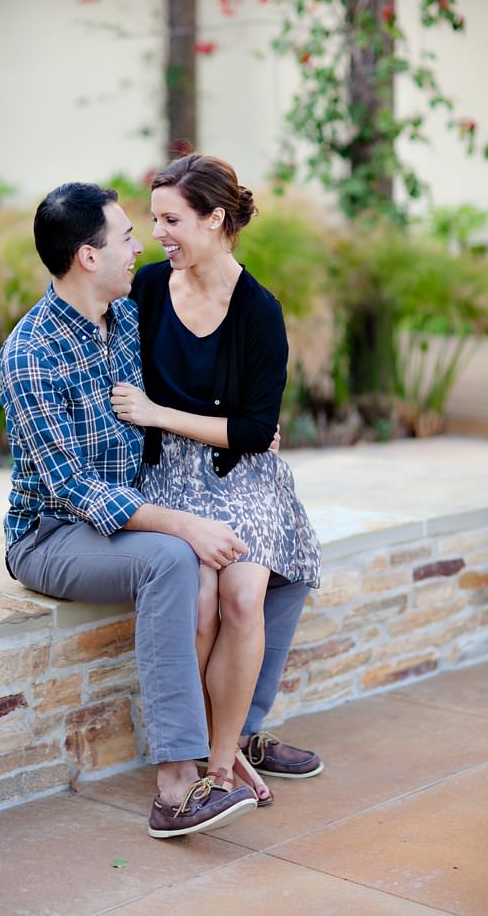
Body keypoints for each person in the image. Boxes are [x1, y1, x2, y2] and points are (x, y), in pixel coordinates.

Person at [1, 182, 258, 837]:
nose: (138, 245)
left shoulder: (124, 321)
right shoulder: (30, 353)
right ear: (88, 257)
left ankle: (223, 754)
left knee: (241, 560)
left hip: (124, 518)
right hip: (51, 534)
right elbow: (74, 489)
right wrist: (181, 523)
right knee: (175, 558)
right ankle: (176, 789)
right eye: (124, 238)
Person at [110, 153, 322, 807]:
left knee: (241, 598)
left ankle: (224, 765)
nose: (158, 233)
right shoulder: (145, 290)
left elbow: (256, 433)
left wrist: (158, 413)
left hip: (243, 478)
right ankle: (200, 752)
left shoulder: (259, 311)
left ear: (216, 219)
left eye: (171, 219)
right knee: (198, 596)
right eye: (154, 220)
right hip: (167, 476)